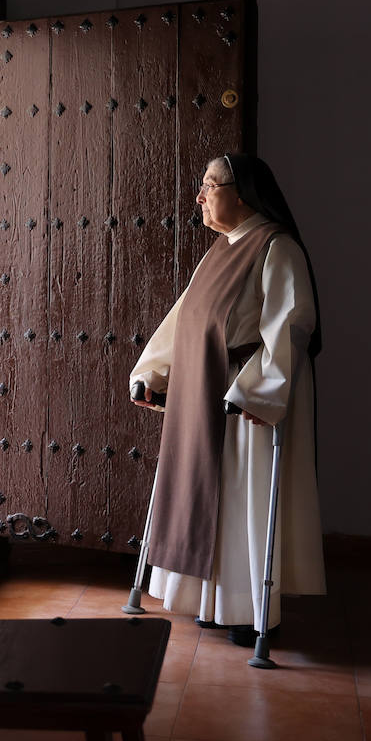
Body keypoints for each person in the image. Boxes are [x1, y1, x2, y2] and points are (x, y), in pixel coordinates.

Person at [128, 153, 324, 647]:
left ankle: (247, 611)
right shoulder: (219, 251)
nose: (199, 197)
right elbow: (186, 320)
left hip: (239, 399)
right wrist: (153, 372)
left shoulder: (276, 247)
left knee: (240, 501)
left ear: (242, 193)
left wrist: (256, 393)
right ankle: (206, 603)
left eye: (209, 185)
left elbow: (291, 326)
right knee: (201, 494)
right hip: (201, 392)